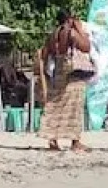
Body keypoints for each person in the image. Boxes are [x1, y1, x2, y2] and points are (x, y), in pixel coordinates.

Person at [39, 9, 93, 153]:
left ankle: (52, 139)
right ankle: (75, 141)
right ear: (69, 19)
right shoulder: (71, 32)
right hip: (72, 72)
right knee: (74, 107)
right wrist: (80, 30)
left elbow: (45, 53)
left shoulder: (54, 34)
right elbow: (86, 47)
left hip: (59, 69)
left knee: (56, 105)